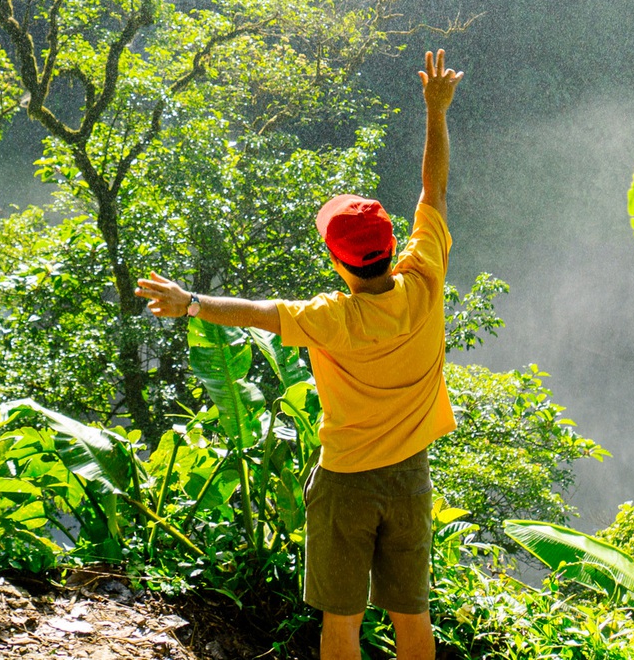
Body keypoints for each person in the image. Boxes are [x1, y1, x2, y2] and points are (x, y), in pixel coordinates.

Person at [135, 48, 462, 660]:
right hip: (413, 479)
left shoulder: (332, 318)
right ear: (391, 248)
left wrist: (191, 302)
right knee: (413, 622)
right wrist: (436, 110)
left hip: (347, 485)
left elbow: (260, 313)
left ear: (338, 262)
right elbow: (434, 189)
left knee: (341, 627)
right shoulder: (425, 279)